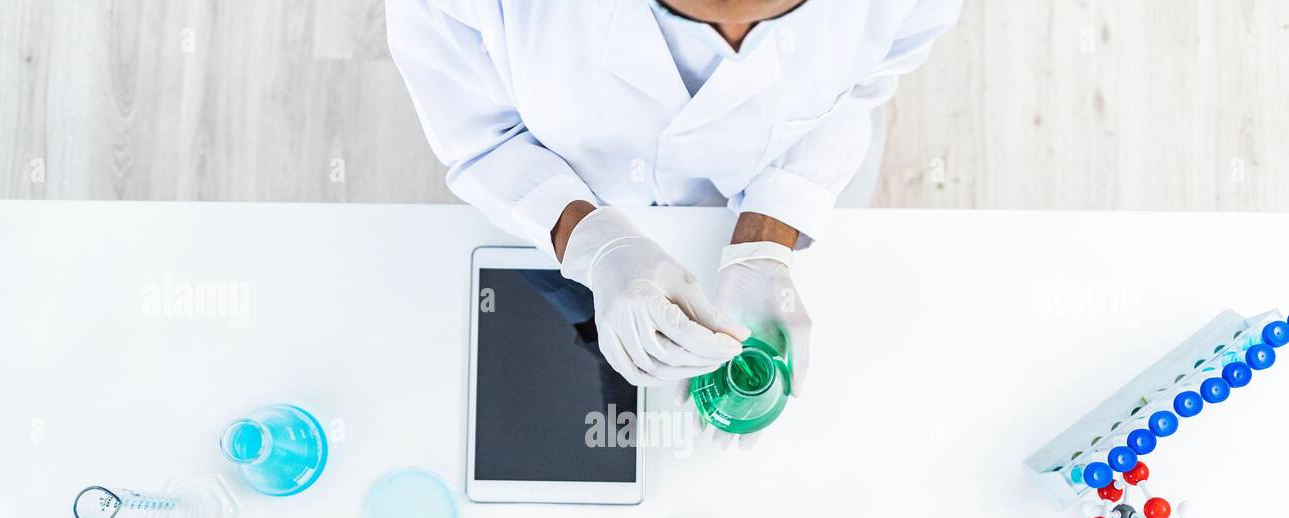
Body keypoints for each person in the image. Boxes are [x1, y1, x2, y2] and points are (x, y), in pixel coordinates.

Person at [387, 0, 961, 391]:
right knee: (582, 333)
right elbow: (481, 137)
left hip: (776, 186)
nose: (734, 47)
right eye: (700, 20)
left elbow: (863, 85)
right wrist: (596, 244)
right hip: (559, 205)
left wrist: (769, 234)